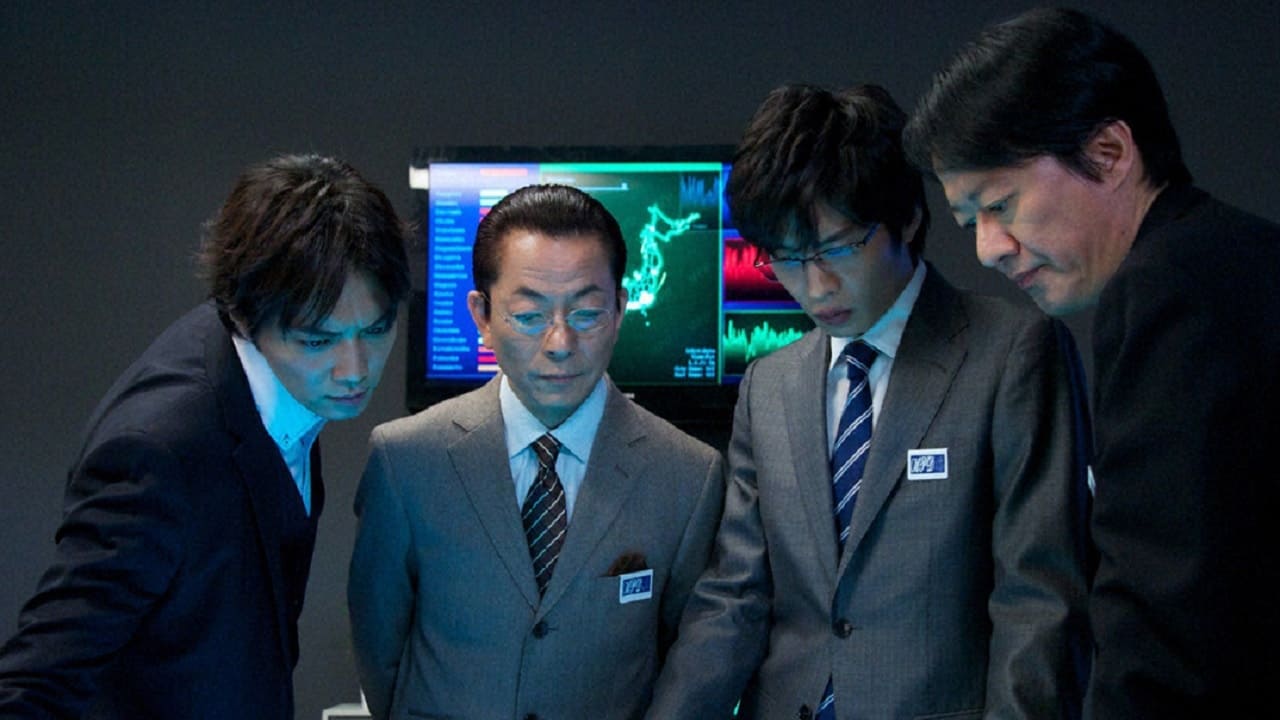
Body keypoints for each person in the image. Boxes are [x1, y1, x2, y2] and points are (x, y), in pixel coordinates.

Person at [645, 83, 1090, 720]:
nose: (815, 286)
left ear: (906, 218)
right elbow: (734, 597)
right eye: (787, 259)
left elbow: (1039, 600)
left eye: (838, 248)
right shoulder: (769, 386)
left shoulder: (1011, 353)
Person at [903, 7, 1280, 717]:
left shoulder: (1167, 291)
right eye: (970, 222)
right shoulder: (1239, 258)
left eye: (1001, 204)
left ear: (1109, 152)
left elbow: (1164, 634)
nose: (988, 249)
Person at [0, 154, 411, 718]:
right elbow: (33, 686)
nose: (355, 369)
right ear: (242, 315)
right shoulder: (158, 453)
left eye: (376, 329)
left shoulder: (272, 371)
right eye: (318, 341)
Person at [347, 183, 725, 720]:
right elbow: (380, 652)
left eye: (587, 313)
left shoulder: (687, 475)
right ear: (481, 315)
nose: (560, 343)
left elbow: (686, 664)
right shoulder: (407, 460)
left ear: (621, 308)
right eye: (529, 316)